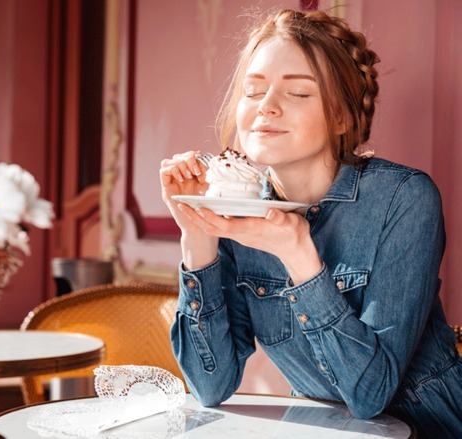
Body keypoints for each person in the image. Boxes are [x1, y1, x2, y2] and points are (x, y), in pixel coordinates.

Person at [159, 8, 462, 439]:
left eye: (299, 93)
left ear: (341, 118)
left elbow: (370, 394)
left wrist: (298, 254)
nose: (267, 107)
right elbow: (209, 386)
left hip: (432, 427)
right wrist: (199, 236)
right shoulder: (235, 208)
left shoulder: (404, 199)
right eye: (252, 90)